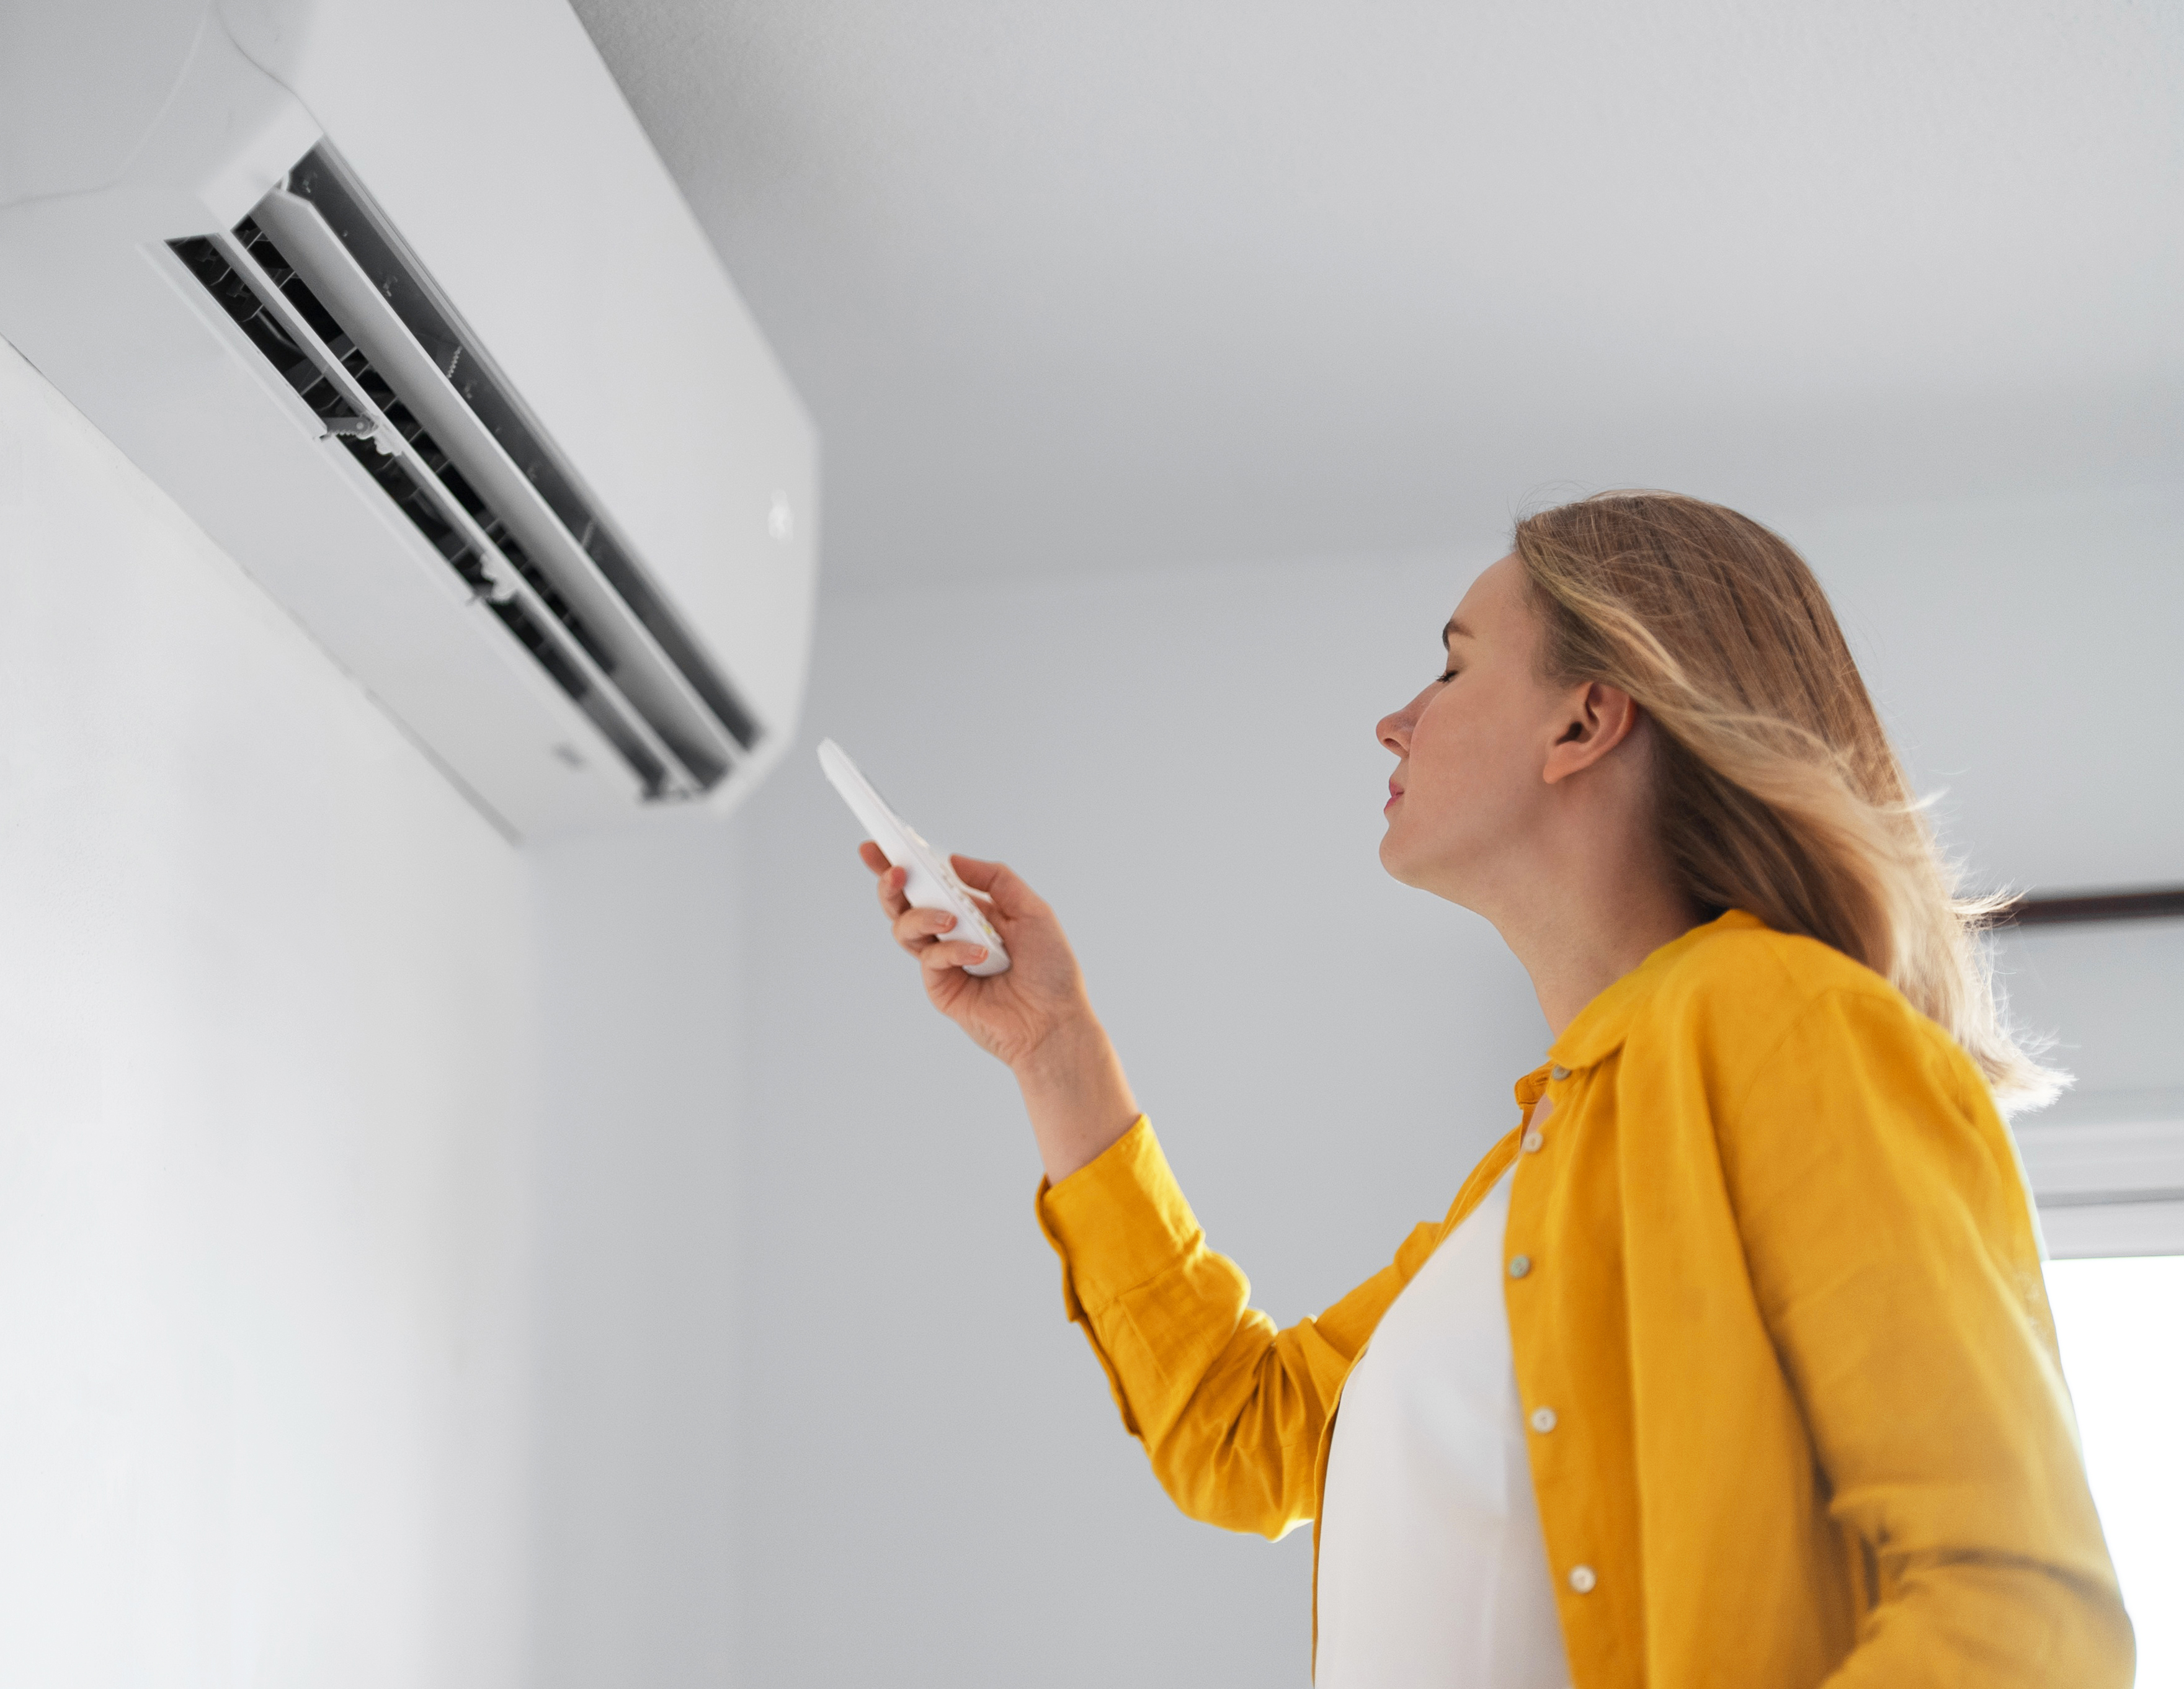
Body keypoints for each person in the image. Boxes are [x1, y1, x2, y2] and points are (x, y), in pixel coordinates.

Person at [857, 491, 2132, 1687]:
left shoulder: (1789, 1024)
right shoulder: (1544, 1157)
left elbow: (2019, 1614)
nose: (1395, 720)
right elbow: (1247, 1438)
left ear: (1586, 719)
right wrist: (1054, 1049)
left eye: (1455, 666)